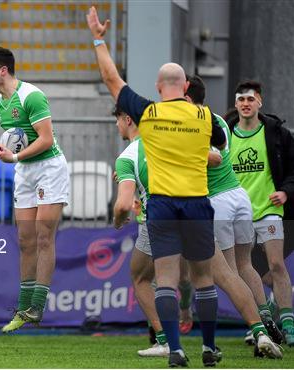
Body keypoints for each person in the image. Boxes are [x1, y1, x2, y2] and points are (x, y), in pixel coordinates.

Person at [87, 6, 226, 367]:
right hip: (198, 203)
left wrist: (100, 38)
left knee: (164, 280)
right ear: (186, 88)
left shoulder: (148, 114)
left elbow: (111, 80)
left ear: (158, 88)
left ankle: (176, 350)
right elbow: (219, 152)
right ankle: (209, 348)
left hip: (162, 205)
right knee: (203, 279)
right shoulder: (206, 117)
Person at [113, 108, 282, 360]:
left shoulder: (127, 157)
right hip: (195, 213)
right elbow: (213, 159)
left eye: (116, 121)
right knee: (223, 275)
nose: (116, 126)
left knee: (144, 278)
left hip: (159, 220)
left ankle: (167, 342)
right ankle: (258, 333)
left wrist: (118, 218)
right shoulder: (171, 140)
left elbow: (123, 204)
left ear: (127, 120)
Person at [185, 76, 285, 346]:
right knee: (245, 265)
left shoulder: (194, 123)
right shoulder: (218, 119)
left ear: (186, 98)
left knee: (229, 273)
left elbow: (212, 157)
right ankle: (264, 317)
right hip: (239, 197)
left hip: (219, 202)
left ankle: (257, 327)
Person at [0, 47, 69, 332]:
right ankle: (23, 308)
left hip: (49, 168)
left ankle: (37, 307)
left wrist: (14, 156)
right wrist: (6, 149)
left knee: (44, 238)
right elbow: (17, 139)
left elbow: (45, 139)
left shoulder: (31, 96)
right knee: (26, 240)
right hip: (25, 171)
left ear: (2, 70)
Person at [226, 80, 294, 347]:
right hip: (238, 214)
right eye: (241, 99)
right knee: (248, 270)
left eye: (250, 99)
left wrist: (286, 192)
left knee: (276, 264)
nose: (245, 104)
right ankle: (263, 320)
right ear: (236, 104)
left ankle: (288, 324)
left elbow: (292, 168)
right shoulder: (225, 135)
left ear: (259, 102)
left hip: (269, 210)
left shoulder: (277, 134)